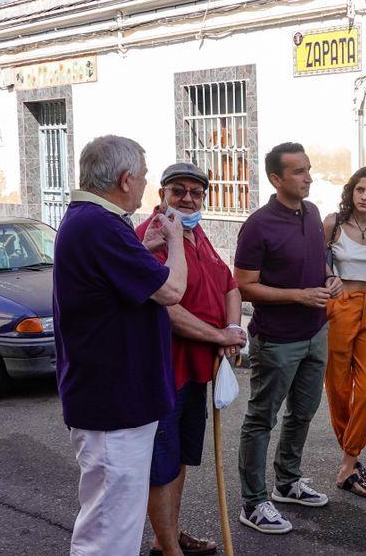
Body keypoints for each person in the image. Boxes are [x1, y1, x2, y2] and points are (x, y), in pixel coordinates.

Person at [52, 135, 188, 556]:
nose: (146, 185)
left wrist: (143, 248)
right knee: (109, 531)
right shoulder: (100, 225)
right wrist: (177, 240)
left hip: (113, 399)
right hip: (113, 403)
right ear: (126, 180)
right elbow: (172, 290)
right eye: (144, 177)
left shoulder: (94, 222)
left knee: (113, 524)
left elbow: (112, 281)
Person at [135, 162, 248, 556]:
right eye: (177, 191)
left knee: (180, 460)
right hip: (165, 371)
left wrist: (232, 331)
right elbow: (167, 310)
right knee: (160, 469)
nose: (187, 198)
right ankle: (170, 550)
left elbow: (230, 285)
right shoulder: (151, 237)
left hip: (199, 371)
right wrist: (218, 334)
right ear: (162, 195)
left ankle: (165, 536)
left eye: (195, 193)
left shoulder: (197, 233)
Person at [234, 142, 338, 535]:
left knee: (303, 413)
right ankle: (254, 501)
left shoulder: (311, 214)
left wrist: (330, 278)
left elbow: (317, 261)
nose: (308, 177)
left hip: (316, 332)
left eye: (308, 169)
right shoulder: (258, 225)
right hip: (277, 341)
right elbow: (244, 286)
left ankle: (287, 482)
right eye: (298, 171)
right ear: (276, 179)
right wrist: (298, 296)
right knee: (261, 419)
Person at [323, 166, 366, 498]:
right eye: (360, 190)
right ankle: (352, 461)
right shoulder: (333, 224)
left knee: (365, 392)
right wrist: (327, 277)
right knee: (338, 388)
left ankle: (349, 461)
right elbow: (316, 260)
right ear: (352, 191)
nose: (364, 196)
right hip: (340, 306)